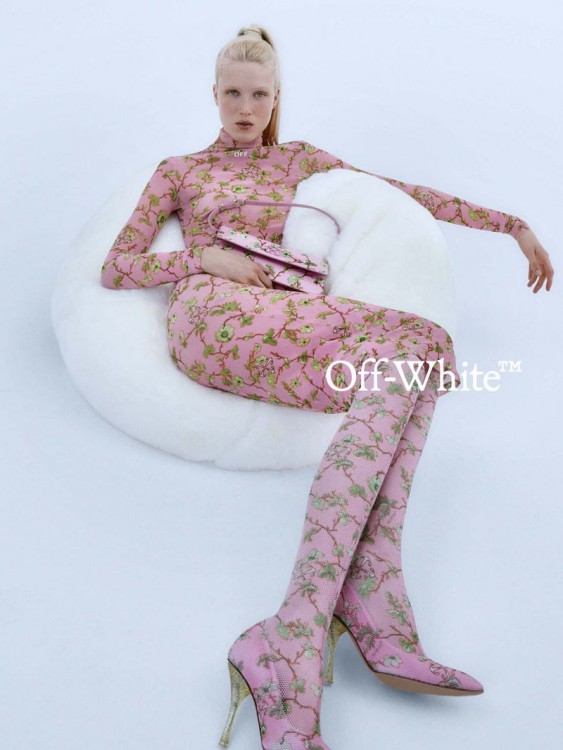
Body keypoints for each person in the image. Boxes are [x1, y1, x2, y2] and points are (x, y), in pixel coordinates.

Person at [100, 24, 554, 750]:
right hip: (212, 315)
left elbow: (400, 193)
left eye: (258, 95)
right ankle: (348, 610)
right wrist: (202, 260)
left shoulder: (302, 160)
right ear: (212, 95)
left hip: (289, 315)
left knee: (422, 350)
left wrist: (510, 224)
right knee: (418, 346)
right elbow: (117, 265)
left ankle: (318, 622)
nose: (244, 108)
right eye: (231, 93)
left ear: (276, 97)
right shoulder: (179, 170)